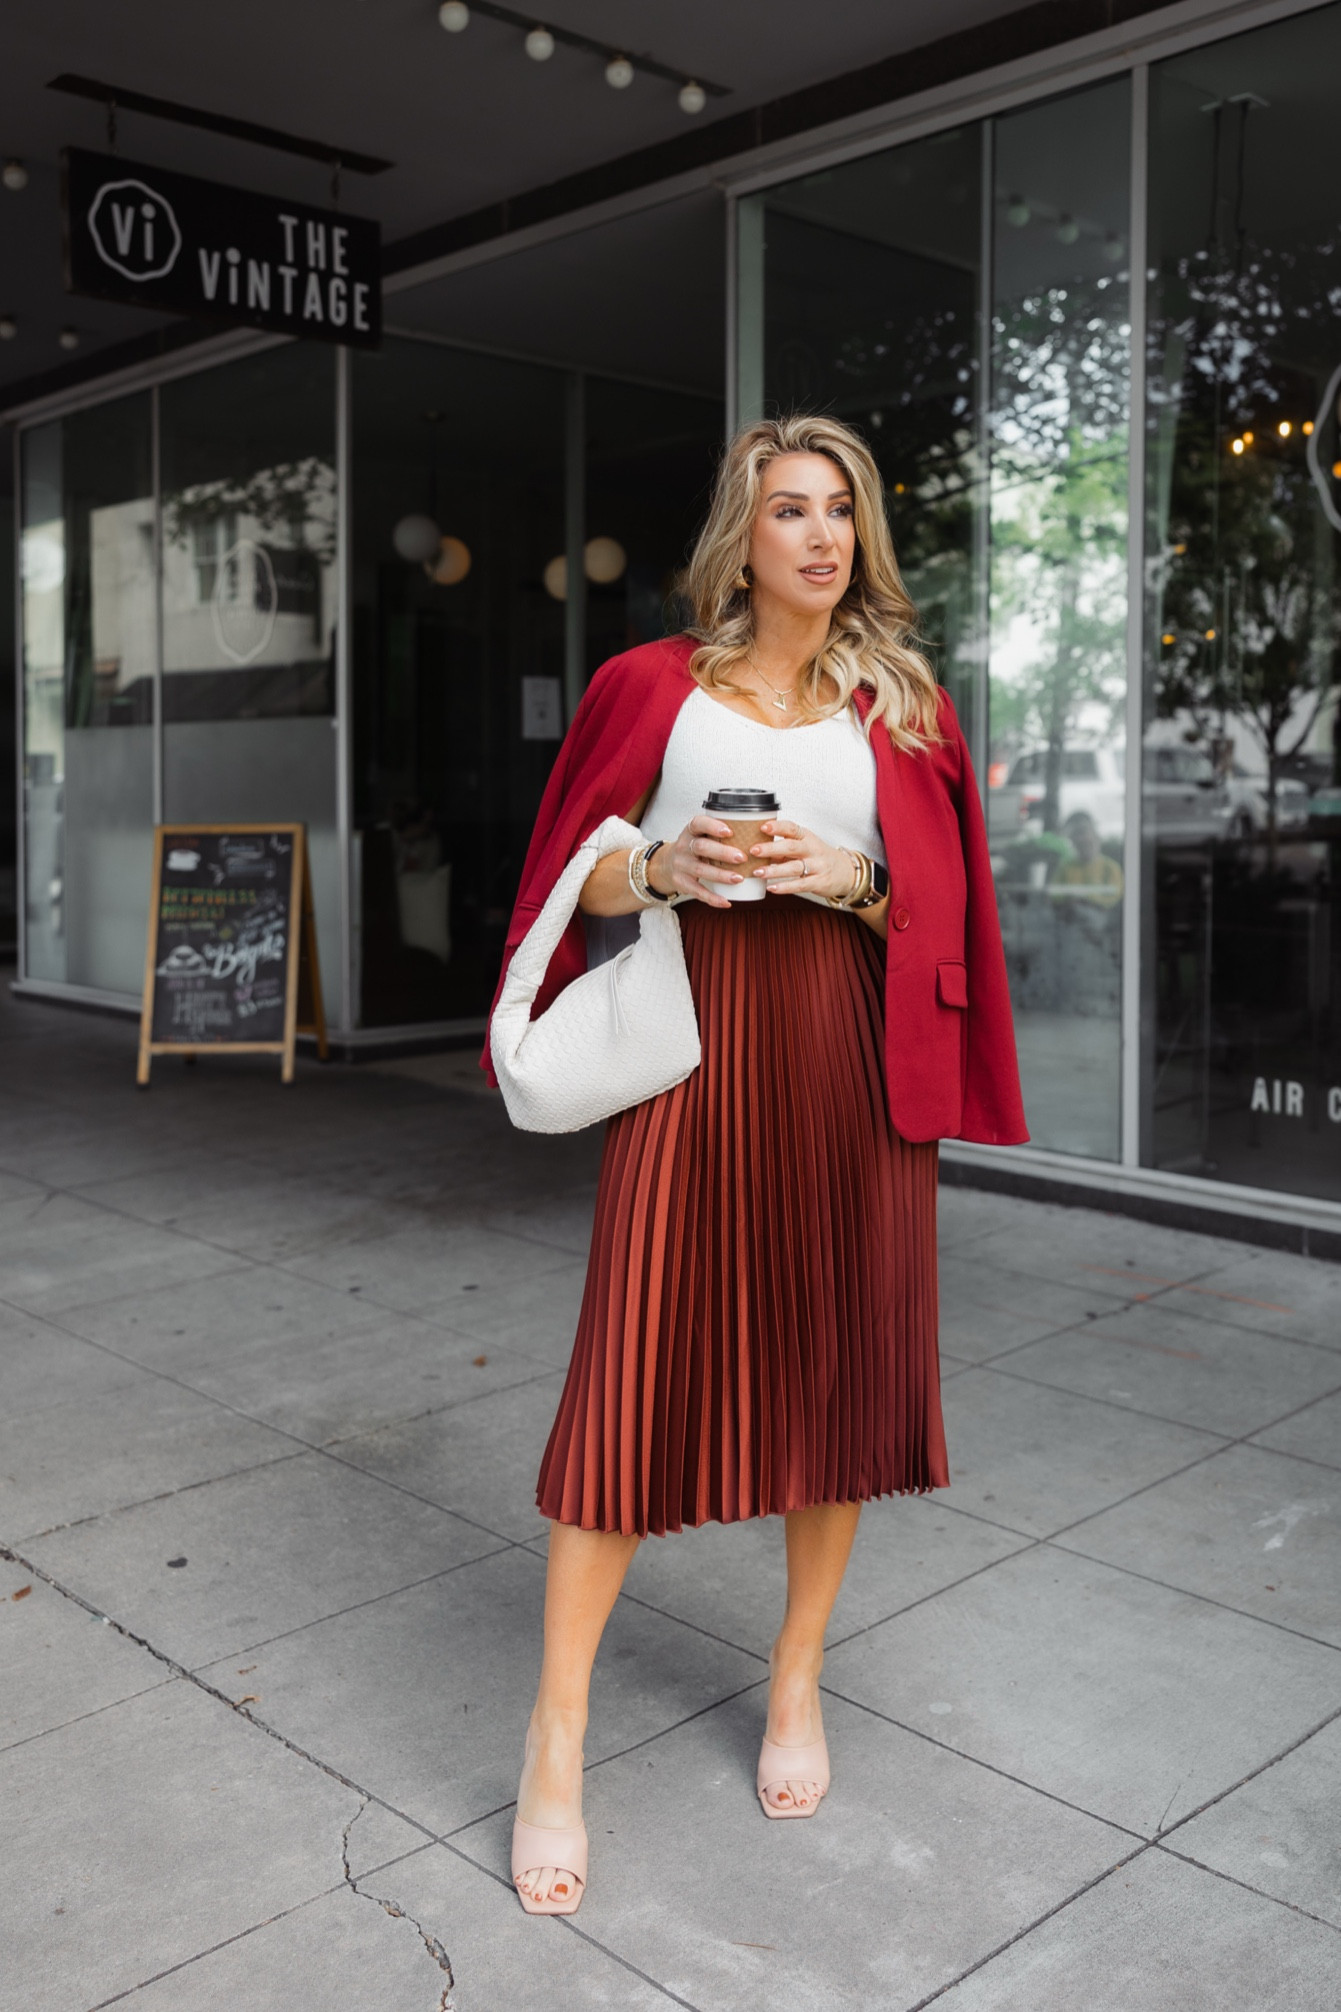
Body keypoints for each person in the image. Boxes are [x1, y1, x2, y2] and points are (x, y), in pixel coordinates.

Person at [483, 415, 1027, 1915]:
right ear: (743, 532)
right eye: (791, 508)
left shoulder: (900, 702)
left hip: (849, 1071)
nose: (820, 536)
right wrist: (662, 865)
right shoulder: (646, 685)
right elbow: (568, 869)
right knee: (630, 1378)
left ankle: (796, 1681)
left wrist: (850, 879)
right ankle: (557, 1730)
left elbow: (945, 905)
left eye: (840, 512)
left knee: (839, 1379)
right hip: (694, 1061)